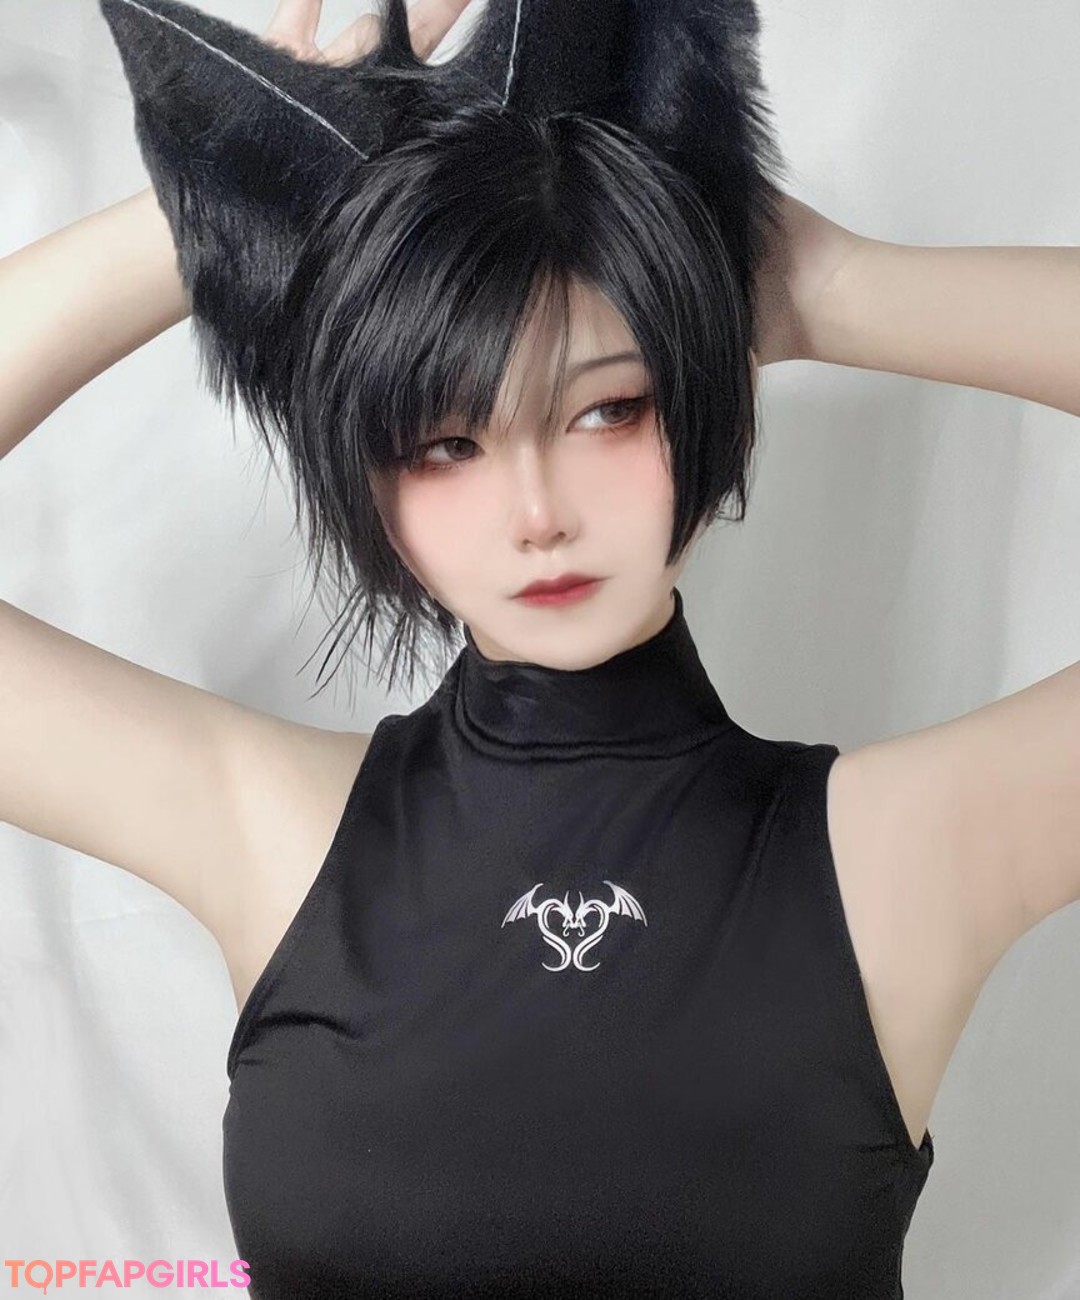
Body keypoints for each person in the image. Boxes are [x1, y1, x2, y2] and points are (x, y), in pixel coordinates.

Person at [3, 1, 1079, 1296]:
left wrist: (829, 289)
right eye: (447, 442)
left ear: (713, 396)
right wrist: (246, 180)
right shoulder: (272, 834)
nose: (537, 513)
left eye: (608, 409)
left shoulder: (907, 854)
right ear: (370, 475)